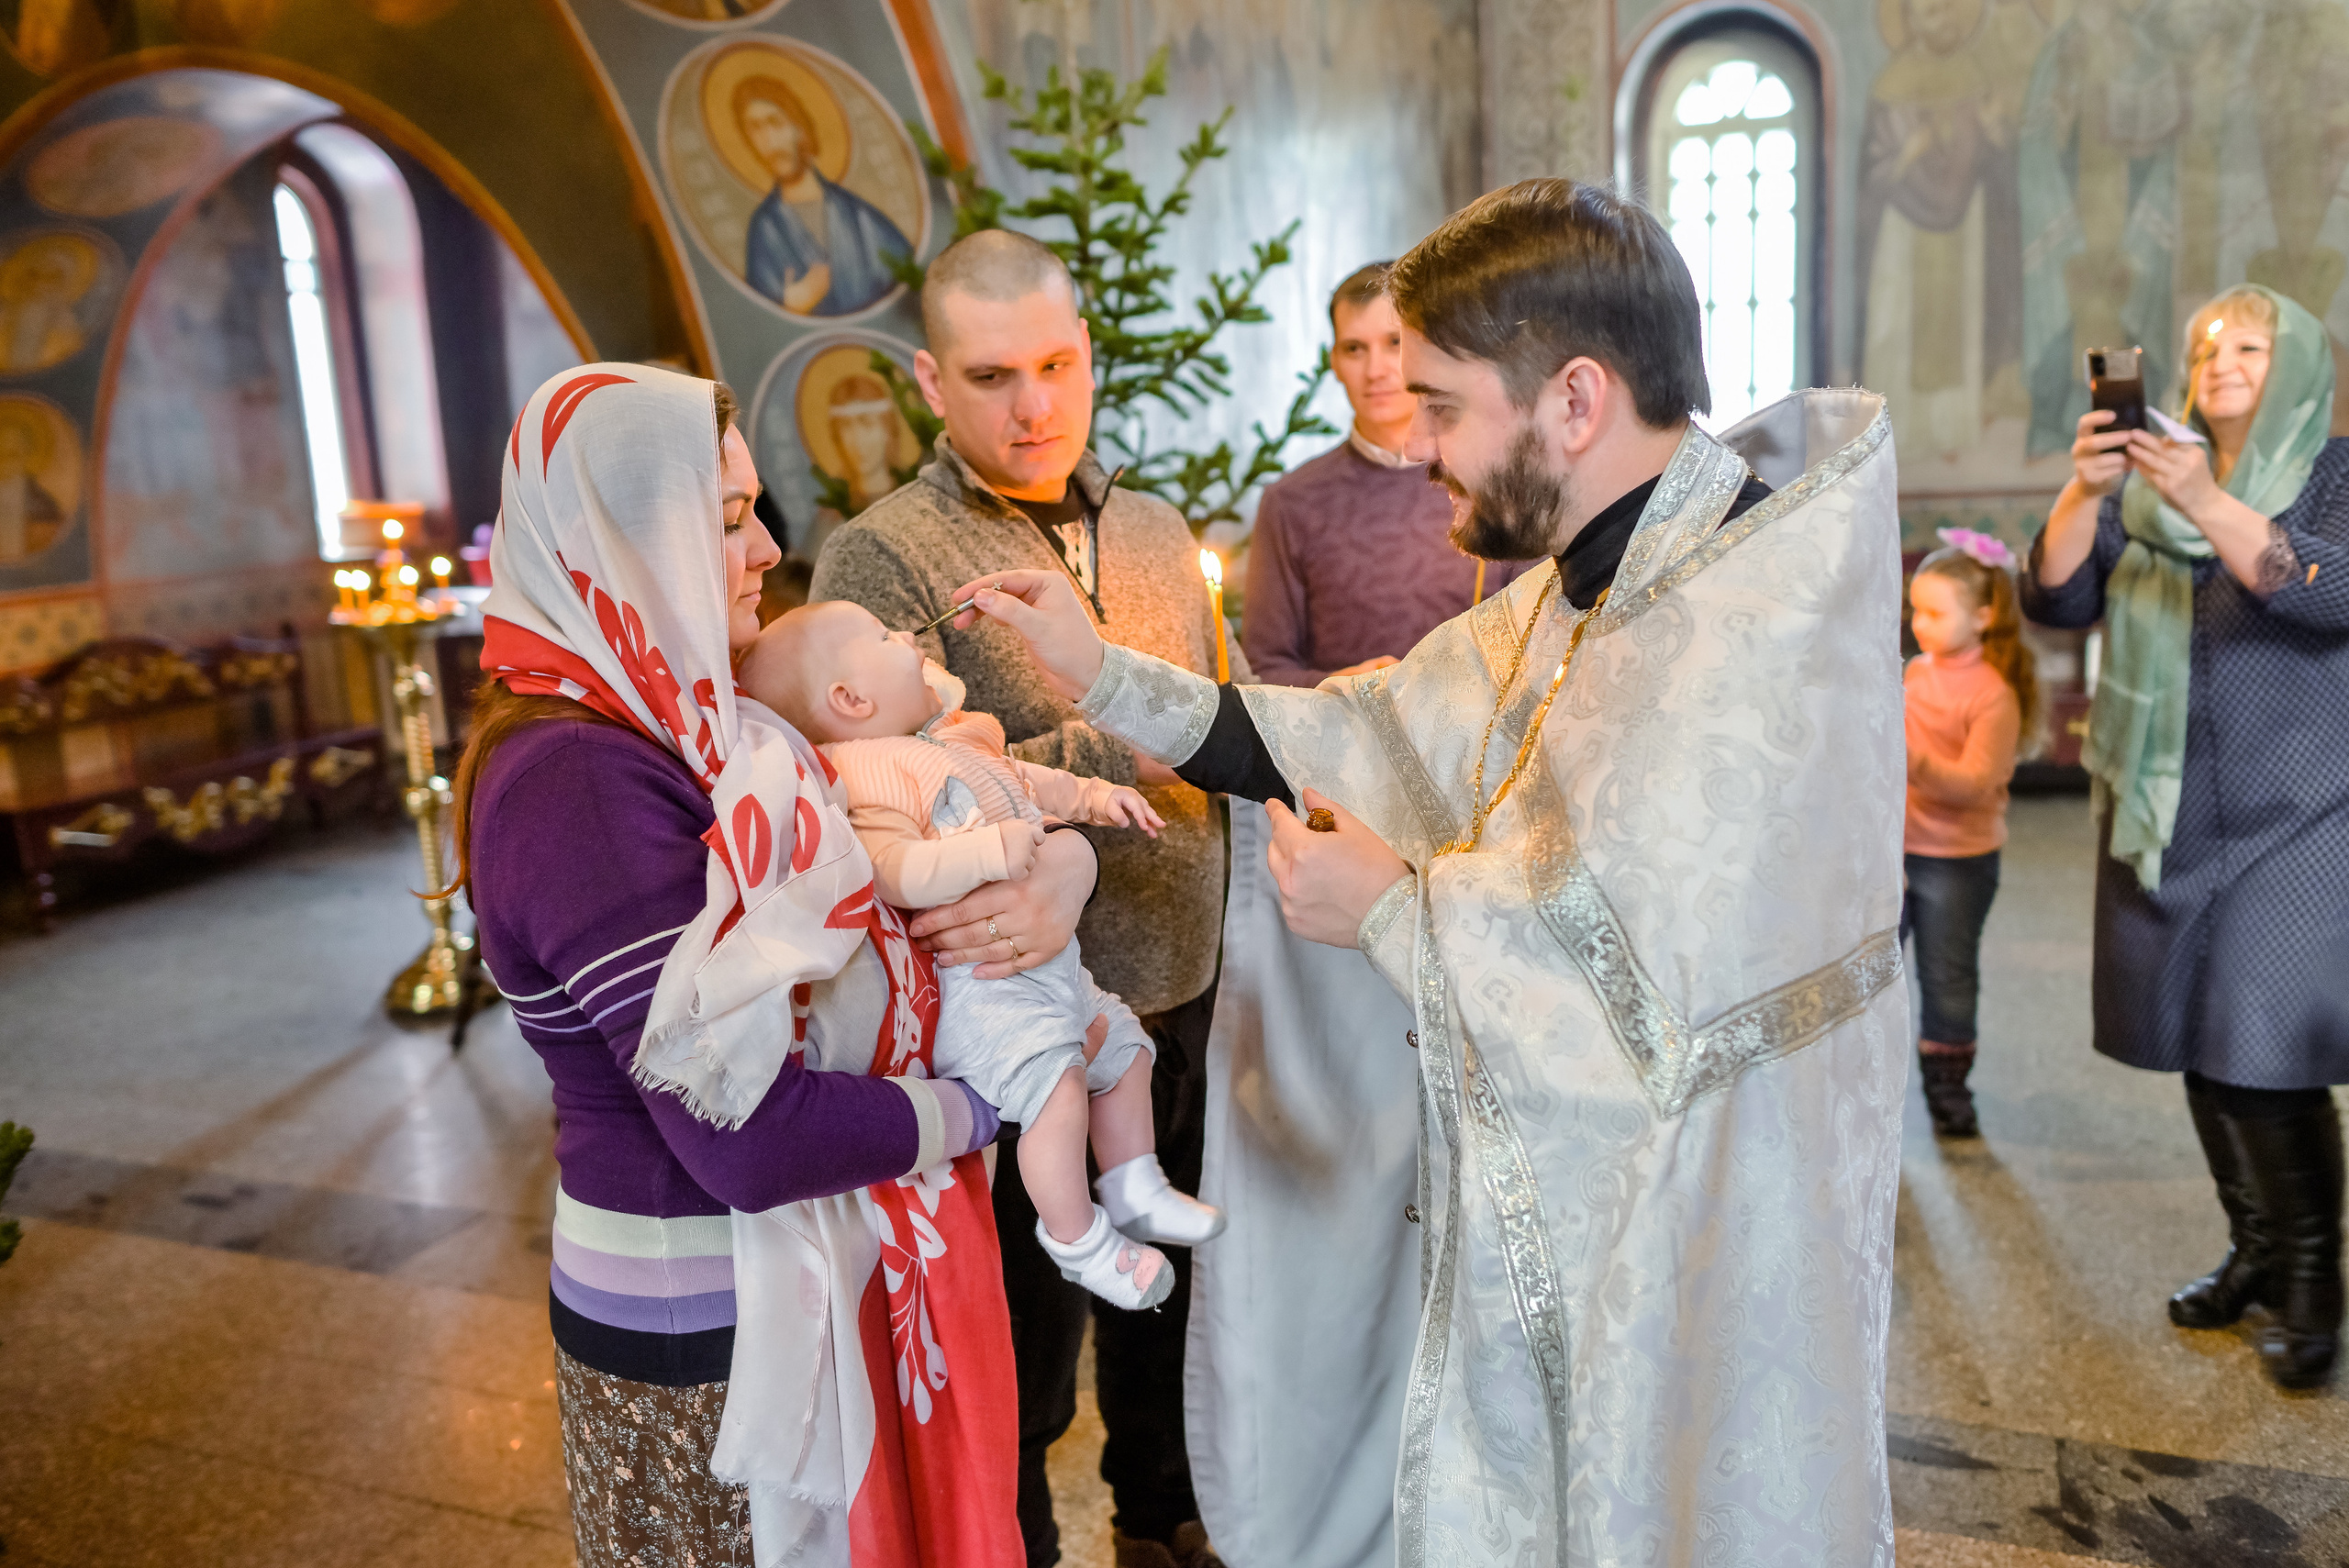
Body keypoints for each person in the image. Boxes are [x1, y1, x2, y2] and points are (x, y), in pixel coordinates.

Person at [955, 179, 1909, 1562]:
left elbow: (1664, 1009)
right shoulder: (1594, 582)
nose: (1418, 450)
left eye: (1446, 408)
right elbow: (1365, 729)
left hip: (1698, 1251)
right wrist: (1104, 672)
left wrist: (1396, 916)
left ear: (1573, 401)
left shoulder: (1750, 626)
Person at [458, 366, 1098, 1566]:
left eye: (755, 506)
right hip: (698, 1333)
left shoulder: (689, 719)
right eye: (726, 516)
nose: (767, 545)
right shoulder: (579, 779)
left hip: (781, 1292)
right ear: (624, 535)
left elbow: (912, 799)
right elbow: (746, 1135)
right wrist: (990, 1101)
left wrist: (1063, 865)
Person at [808, 228, 1239, 1568]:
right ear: (933, 384)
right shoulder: (884, 560)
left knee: (1170, 1316)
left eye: (1059, 364)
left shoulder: (1158, 530)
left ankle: (1163, 1527)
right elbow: (885, 789)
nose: (1036, 404)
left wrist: (1213, 744)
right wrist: (1134, 749)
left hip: (1180, 990)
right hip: (1013, 1029)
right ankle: (1021, 1548)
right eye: (995, 375)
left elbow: (1215, 742)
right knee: (1024, 1352)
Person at [2022, 282, 2349, 1389]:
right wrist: (2086, 485)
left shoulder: (2337, 475)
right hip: (2165, 805)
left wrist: (2206, 497)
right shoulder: (2149, 491)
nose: (2218, 363)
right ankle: (2254, 1251)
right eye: (2206, 347)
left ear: (2299, 363)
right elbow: (2056, 598)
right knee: (2203, 1052)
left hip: (2301, 812)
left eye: (2248, 346)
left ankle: (2313, 1286)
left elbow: (2318, 587)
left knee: (2262, 1054)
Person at [740, 599, 1225, 1309]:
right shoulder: (868, 773)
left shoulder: (949, 741)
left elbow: (1030, 784)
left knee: (1123, 1046)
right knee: (1056, 1088)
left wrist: (1095, 796)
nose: (907, 635)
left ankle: (1136, 1184)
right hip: (982, 986)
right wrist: (986, 851)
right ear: (850, 699)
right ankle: (1078, 1240)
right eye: (883, 636)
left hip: (1048, 970)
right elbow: (894, 869)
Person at [1243, 262, 1539, 687]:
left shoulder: (1493, 482)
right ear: (1335, 362)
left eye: (1394, 343)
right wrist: (1346, 687)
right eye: (1354, 349)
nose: (1376, 369)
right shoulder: (1290, 502)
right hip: (1340, 743)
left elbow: (1542, 641)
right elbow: (1261, 670)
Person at [1902, 528, 2033, 1139]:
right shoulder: (1912, 676)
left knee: (1947, 975)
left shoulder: (1992, 694)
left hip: (1955, 861)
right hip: (1894, 854)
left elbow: (1975, 783)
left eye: (1933, 612)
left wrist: (1908, 756)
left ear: (1983, 617)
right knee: (1876, 968)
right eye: (1914, 609)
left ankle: (1948, 1095)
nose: (1918, 622)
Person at [736, 75, 910, 317]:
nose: (769, 141)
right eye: (755, 129)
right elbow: (756, 318)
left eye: (775, 122)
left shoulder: (860, 217)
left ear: (800, 128)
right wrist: (789, 305)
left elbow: (907, 283)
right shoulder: (764, 230)